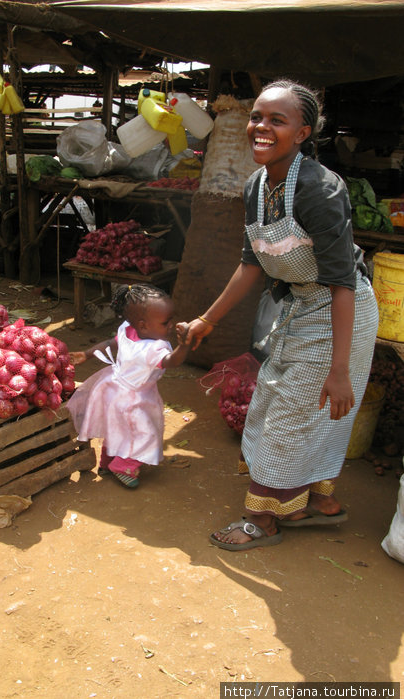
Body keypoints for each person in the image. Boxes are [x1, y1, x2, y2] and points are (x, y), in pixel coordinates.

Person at [182, 79, 379, 551]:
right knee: (274, 406)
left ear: (303, 132)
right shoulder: (257, 185)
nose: (260, 128)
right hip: (297, 308)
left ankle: (262, 520)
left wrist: (339, 368)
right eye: (256, 117)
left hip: (339, 312)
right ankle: (317, 502)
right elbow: (252, 262)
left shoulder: (318, 189)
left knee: (290, 419)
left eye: (277, 120)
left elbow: (342, 283)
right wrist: (207, 319)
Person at [68, 283, 191, 489]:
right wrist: (185, 344)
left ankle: (107, 462)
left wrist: (87, 354)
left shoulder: (127, 329)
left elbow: (110, 343)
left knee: (116, 428)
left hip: (113, 389)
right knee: (146, 434)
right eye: (165, 322)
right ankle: (124, 466)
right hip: (135, 399)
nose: (171, 325)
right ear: (143, 325)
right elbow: (172, 361)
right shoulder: (154, 348)